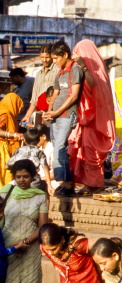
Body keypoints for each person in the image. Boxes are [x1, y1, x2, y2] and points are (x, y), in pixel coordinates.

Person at [0, 159, 49, 283]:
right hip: (8, 248)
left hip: (30, 249)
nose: (21, 180)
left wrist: (26, 242)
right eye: (18, 177)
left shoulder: (40, 196)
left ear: (33, 176)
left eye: (25, 176)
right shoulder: (4, 193)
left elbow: (43, 226)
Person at [68, 39, 116, 195]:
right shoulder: (80, 70)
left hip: (94, 120)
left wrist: (83, 65)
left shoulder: (97, 73)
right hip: (82, 117)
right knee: (81, 151)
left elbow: (92, 85)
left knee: (91, 152)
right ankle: (88, 183)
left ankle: (96, 183)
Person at [43, 41, 84, 197]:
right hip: (55, 116)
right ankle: (64, 183)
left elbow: (73, 96)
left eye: (55, 58)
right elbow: (55, 92)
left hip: (67, 115)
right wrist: (49, 111)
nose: (54, 61)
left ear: (65, 55)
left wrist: (57, 112)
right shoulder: (59, 72)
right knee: (57, 148)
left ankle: (67, 183)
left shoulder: (75, 70)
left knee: (60, 147)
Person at [6, 126, 54, 195]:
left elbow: (6, 166)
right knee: (43, 186)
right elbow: (45, 168)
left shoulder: (19, 151)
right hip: (34, 182)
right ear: (38, 140)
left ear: (25, 140)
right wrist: (49, 185)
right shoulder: (39, 152)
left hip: (19, 182)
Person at [21, 44, 59, 126]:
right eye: (42, 57)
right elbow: (34, 99)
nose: (44, 60)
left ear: (52, 56)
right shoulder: (38, 74)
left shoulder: (58, 70)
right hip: (40, 114)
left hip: (53, 112)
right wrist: (27, 116)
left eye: (47, 57)